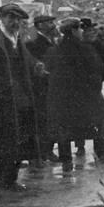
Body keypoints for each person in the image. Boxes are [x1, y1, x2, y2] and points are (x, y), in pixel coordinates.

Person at [46, 17, 104, 173]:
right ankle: (102, 152)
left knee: (64, 128)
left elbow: (50, 73)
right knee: (100, 117)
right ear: (74, 31)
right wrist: (95, 87)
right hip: (85, 97)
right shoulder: (85, 50)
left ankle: (66, 161)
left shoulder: (54, 49)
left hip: (61, 98)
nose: (82, 32)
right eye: (80, 29)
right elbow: (98, 68)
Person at [0, 3, 44, 193]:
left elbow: (27, 59)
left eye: (18, 19)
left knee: (20, 141)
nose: (15, 22)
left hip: (21, 100)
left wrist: (37, 66)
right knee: (0, 142)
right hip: (2, 101)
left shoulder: (16, 39)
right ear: (1, 19)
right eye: (11, 18)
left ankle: (10, 180)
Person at [26, 15, 60, 163]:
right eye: (49, 23)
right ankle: (41, 153)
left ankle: (45, 151)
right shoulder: (35, 42)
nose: (52, 25)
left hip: (49, 84)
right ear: (39, 25)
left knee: (48, 119)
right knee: (41, 120)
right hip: (40, 86)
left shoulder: (48, 39)